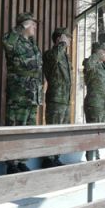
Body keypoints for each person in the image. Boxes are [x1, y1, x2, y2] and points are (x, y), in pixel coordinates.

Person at [2, 12, 43, 174]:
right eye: (32, 24)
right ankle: (12, 163)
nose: (35, 27)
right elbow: (6, 43)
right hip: (19, 94)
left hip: (32, 94)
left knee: (28, 129)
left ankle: (22, 160)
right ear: (25, 24)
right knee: (15, 128)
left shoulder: (32, 43)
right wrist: (20, 28)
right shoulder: (14, 40)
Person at [41, 27, 72, 168]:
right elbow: (54, 58)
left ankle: (56, 156)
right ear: (59, 38)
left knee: (61, 131)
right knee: (53, 130)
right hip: (55, 98)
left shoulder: (65, 56)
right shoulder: (50, 54)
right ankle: (48, 158)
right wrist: (61, 44)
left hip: (65, 99)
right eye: (67, 37)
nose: (69, 40)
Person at [83, 41, 105, 160]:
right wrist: (96, 54)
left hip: (101, 105)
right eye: (104, 51)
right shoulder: (91, 64)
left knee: (97, 133)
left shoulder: (101, 66)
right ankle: (90, 158)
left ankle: (96, 156)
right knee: (93, 133)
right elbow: (88, 65)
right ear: (98, 52)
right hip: (94, 105)